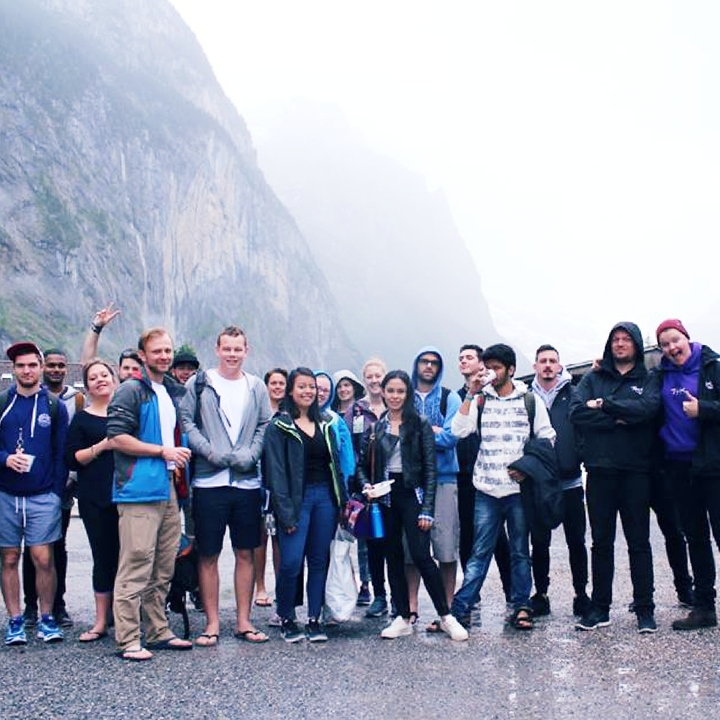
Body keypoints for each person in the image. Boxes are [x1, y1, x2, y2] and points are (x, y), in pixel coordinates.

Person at [356, 370, 468, 641]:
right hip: (385, 496)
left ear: (407, 395)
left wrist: (427, 508)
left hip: (412, 494)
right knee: (392, 556)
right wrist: (366, 487)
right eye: (390, 391)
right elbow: (361, 466)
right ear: (382, 392)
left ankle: (446, 615)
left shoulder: (420, 424)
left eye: (400, 391)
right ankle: (403, 616)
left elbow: (430, 470)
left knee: (420, 554)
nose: (395, 396)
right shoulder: (376, 427)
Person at [450, 344, 555, 632]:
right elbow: (458, 431)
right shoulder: (481, 400)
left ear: (510, 370)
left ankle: (521, 606)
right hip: (486, 489)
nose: (490, 372)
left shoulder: (530, 401)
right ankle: (461, 608)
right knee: (479, 551)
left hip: (518, 492)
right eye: (488, 366)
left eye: (496, 367)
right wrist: (471, 394)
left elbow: (547, 439)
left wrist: (527, 467)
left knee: (520, 551)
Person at [180, 326, 271, 646]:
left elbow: (264, 425)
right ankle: (213, 623)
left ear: (247, 351)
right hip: (208, 482)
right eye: (227, 349)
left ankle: (244, 621)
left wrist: (251, 453)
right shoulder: (200, 383)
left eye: (238, 349)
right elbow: (187, 421)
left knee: (245, 551)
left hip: (246, 483)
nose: (232, 354)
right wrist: (208, 450)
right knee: (208, 554)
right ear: (217, 350)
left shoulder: (256, 386)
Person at [107, 327, 193, 661]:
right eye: (156, 351)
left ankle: (158, 630)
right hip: (138, 489)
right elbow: (117, 438)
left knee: (163, 564)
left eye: (168, 351)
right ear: (142, 355)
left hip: (169, 487)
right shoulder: (131, 390)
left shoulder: (171, 391)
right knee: (136, 561)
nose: (164, 356)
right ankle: (128, 638)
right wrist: (162, 452)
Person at [570, 322, 659, 634]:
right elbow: (576, 412)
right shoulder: (594, 378)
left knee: (639, 543)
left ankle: (645, 610)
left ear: (635, 344)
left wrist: (605, 405)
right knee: (601, 543)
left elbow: (648, 410)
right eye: (615, 340)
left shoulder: (648, 379)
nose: (620, 344)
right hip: (600, 471)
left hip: (636, 472)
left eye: (626, 340)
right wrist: (618, 420)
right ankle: (599, 608)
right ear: (609, 345)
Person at [263, 368, 348, 643]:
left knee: (319, 559)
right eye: (302, 387)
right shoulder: (279, 426)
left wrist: (342, 501)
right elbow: (274, 472)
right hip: (295, 500)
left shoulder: (325, 424)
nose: (308, 391)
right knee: (290, 562)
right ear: (290, 390)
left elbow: (334, 465)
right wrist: (285, 512)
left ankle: (313, 619)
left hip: (325, 498)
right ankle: (287, 616)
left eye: (312, 387)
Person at [653, 319, 720, 630]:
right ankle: (704, 608)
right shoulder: (662, 373)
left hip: (714, 466)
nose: (671, 348)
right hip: (678, 467)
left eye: (675, 340)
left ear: (687, 338)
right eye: (664, 344)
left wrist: (704, 409)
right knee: (695, 538)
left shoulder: (712, 365)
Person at [0, 341, 69, 646]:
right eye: (20, 366)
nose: (26, 371)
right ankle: (15, 621)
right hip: (6, 494)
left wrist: (55, 492)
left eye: (32, 365)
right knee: (10, 557)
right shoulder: (2, 403)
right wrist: (4, 459)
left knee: (43, 558)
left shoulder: (54, 406)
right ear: (13, 369)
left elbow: (62, 453)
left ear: (41, 368)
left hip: (43, 496)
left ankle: (47, 618)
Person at [21, 347, 85, 630]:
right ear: (42, 367)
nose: (56, 370)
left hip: (63, 486)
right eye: (51, 365)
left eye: (61, 365)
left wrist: (69, 480)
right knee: (28, 549)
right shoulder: (29, 399)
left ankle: (58, 605)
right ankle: (30, 606)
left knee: (57, 547)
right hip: (30, 486)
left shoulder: (76, 400)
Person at [529, 345, 590, 617]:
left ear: (559, 365)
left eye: (552, 361)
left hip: (571, 481)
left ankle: (581, 593)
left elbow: (583, 429)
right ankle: (540, 593)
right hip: (540, 483)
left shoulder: (574, 393)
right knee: (539, 543)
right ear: (535, 366)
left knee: (576, 541)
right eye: (543, 361)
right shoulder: (527, 397)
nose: (548, 365)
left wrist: (579, 453)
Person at [64, 358, 119, 642]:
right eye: (93, 377)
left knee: (128, 559)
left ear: (114, 378)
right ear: (87, 387)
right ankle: (100, 622)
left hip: (127, 497)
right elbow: (73, 458)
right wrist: (103, 445)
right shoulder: (82, 418)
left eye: (104, 375)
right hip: (94, 498)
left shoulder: (126, 413)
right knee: (102, 558)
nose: (100, 380)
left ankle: (125, 619)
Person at [409, 347, 461, 632]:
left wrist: (421, 433)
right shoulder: (406, 394)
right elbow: (401, 432)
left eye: (434, 363)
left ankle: (447, 609)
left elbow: (452, 437)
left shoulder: (448, 397)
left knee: (445, 546)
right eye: (424, 362)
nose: (428, 366)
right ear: (416, 365)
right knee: (412, 548)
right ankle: (412, 607)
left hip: (444, 477)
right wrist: (434, 431)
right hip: (411, 478)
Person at [456, 344, 512, 603]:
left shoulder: (491, 395)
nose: (464, 361)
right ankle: (471, 595)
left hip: (489, 473)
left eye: (469, 357)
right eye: (461, 358)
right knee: (466, 534)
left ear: (482, 365)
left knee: (498, 536)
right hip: (462, 474)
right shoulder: (460, 396)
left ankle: (511, 589)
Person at [345, 358, 391, 618]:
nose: (374, 380)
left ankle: (397, 596)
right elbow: (350, 447)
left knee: (393, 541)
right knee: (370, 541)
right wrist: (359, 481)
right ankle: (377, 593)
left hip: (393, 484)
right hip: (367, 484)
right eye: (369, 376)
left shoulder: (395, 404)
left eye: (378, 375)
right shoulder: (356, 411)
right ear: (364, 380)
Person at [332, 368, 372, 605]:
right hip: (337, 479)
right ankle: (342, 585)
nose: (344, 389)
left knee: (363, 536)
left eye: (348, 385)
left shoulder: (361, 412)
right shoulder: (326, 414)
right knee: (339, 536)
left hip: (358, 477)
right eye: (340, 386)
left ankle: (365, 584)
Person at [253, 368, 287, 616]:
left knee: (280, 539)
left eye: (281, 383)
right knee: (259, 537)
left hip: (281, 482)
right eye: (273, 382)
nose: (277, 387)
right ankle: (260, 587)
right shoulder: (258, 412)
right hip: (257, 479)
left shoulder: (290, 414)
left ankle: (279, 586)